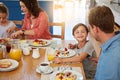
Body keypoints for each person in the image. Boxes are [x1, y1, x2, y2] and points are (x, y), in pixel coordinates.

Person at [88, 5, 120, 80]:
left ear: (95, 29)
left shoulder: (112, 58)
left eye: (90, 28)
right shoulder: (113, 43)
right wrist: (102, 60)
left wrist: (107, 62)